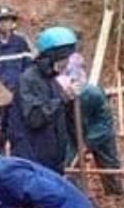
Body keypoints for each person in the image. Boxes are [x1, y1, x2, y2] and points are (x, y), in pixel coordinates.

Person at [6, 24, 78, 174]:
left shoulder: (52, 80)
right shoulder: (28, 79)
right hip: (33, 160)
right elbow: (35, 118)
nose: (67, 64)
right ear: (52, 57)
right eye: (64, 59)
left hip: (53, 159)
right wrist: (62, 99)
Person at [73, 80, 122, 194]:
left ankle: (116, 192)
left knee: (109, 161)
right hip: (75, 127)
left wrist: (87, 144)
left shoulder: (91, 95)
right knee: (71, 163)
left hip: (99, 128)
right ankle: (78, 194)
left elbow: (104, 125)